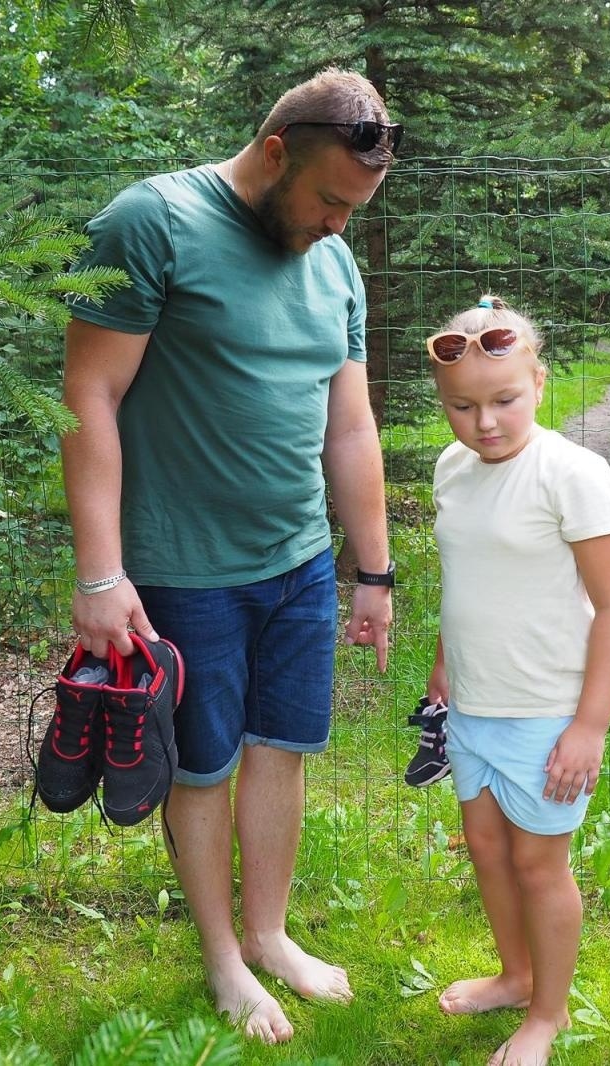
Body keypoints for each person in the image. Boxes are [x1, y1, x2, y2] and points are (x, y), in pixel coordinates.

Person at [60, 70, 398, 1044]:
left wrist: (369, 569)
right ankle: (220, 958)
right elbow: (88, 398)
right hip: (181, 570)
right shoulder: (150, 224)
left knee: (281, 751)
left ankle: (268, 933)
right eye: (331, 199)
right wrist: (100, 573)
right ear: (277, 148)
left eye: (357, 208)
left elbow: (350, 428)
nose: (340, 224)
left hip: (297, 564)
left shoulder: (335, 267)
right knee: (201, 769)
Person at [423, 296, 610, 1066]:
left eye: (504, 400)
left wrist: (590, 726)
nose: (484, 423)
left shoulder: (573, 475)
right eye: (463, 406)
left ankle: (548, 1014)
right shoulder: (453, 469)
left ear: (539, 383)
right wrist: (445, 667)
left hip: (548, 711)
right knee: (485, 846)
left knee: (539, 864)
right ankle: (516, 976)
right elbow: (464, 578)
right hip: (473, 708)